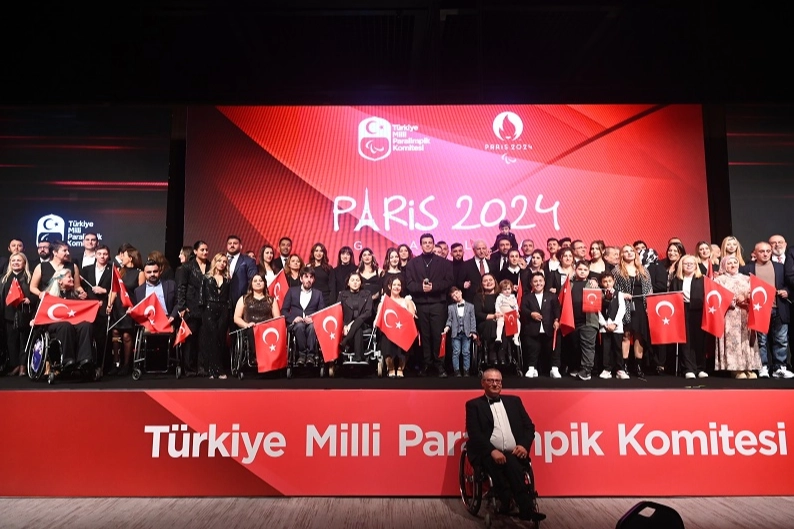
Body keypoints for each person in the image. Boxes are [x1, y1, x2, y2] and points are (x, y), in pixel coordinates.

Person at [465, 368, 542, 522]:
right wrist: (492, 450)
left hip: (513, 451)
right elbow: (475, 434)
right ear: (483, 383)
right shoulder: (474, 405)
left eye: (498, 381)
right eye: (490, 380)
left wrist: (523, 445)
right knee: (497, 463)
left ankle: (525, 507)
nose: (495, 384)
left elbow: (529, 427)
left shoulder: (515, 401)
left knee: (512, 463)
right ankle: (507, 500)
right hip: (487, 452)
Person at [740, 241, 791, 379]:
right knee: (761, 341)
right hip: (759, 310)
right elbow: (740, 286)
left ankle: (779, 367)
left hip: (778, 307)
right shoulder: (746, 269)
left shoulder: (780, 267)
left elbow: (788, 284)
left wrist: (786, 291)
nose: (765, 254)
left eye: (768, 251)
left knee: (781, 340)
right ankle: (763, 366)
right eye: (762, 251)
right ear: (755, 253)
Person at [404, 233, 453, 377]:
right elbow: (409, 284)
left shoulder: (444, 263)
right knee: (424, 336)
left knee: (438, 335)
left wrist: (433, 287)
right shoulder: (412, 263)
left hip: (438, 303)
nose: (427, 245)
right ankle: (426, 363)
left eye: (430, 242)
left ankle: (439, 364)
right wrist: (421, 287)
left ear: (433, 244)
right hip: (420, 304)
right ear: (420, 245)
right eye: (424, 242)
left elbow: (449, 281)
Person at [714, 256, 761, 379]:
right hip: (729, 315)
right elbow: (717, 297)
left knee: (746, 341)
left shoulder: (746, 278)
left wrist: (747, 297)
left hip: (746, 313)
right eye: (729, 263)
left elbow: (753, 293)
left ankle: (748, 367)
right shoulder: (719, 280)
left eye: (735, 262)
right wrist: (734, 300)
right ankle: (735, 369)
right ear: (724, 265)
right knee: (732, 340)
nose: (733, 265)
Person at [612, 244, 652, 378]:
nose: (629, 253)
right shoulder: (617, 271)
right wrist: (622, 295)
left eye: (631, 251)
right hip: (624, 305)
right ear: (621, 255)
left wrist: (649, 304)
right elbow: (613, 288)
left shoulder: (644, 270)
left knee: (639, 336)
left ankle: (638, 366)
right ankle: (624, 366)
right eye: (626, 251)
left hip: (640, 305)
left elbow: (649, 289)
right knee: (626, 335)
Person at [669, 254, 708, 379]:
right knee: (686, 341)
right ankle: (688, 369)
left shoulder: (703, 279)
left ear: (696, 265)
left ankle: (700, 368)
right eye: (686, 263)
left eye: (692, 263)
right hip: (682, 310)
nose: (689, 265)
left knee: (699, 340)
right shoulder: (676, 280)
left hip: (699, 311)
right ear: (681, 266)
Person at [108, 246, 145, 376]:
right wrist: (109, 304)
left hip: (130, 308)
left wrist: (135, 308)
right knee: (115, 332)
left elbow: (141, 294)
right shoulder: (119, 271)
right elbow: (114, 290)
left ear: (130, 258)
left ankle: (127, 364)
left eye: (123, 255)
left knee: (126, 336)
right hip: (118, 307)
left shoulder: (140, 273)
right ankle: (116, 363)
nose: (121, 257)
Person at [176, 240, 209, 376]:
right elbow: (181, 287)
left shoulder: (211, 266)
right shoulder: (187, 267)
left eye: (206, 250)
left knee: (204, 339)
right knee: (190, 339)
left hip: (206, 308)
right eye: (202, 250)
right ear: (195, 251)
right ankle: (189, 369)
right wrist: (182, 307)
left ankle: (202, 368)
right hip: (191, 307)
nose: (205, 252)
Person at [520, 271, 561, 378]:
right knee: (532, 349)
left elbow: (557, 309)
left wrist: (556, 320)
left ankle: (554, 369)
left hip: (550, 328)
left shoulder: (552, 296)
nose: (538, 283)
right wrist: (531, 314)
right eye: (535, 281)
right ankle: (531, 368)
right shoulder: (526, 297)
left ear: (544, 282)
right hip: (532, 328)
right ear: (531, 283)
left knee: (554, 349)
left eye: (540, 281)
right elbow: (523, 309)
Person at [281, 267, 325, 365]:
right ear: (301, 279)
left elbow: (322, 312)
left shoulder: (318, 294)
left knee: (312, 327)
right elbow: (283, 310)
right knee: (300, 326)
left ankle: (310, 356)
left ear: (313, 280)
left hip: (311, 323)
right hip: (296, 324)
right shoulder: (292, 291)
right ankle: (301, 355)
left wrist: (313, 319)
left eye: (311, 277)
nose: (308, 280)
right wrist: (293, 319)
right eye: (306, 277)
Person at [377, 275, 416, 377]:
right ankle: (390, 368)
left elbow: (411, 316)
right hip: (389, 331)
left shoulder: (407, 300)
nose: (396, 287)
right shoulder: (384, 301)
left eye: (399, 285)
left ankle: (400, 368)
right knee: (386, 338)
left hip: (403, 330)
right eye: (394, 285)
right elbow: (379, 317)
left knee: (404, 337)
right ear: (389, 286)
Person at [2, 252, 33, 376]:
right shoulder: (4, 279)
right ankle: (14, 365)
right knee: (11, 341)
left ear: (24, 263)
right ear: (10, 263)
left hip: (25, 314)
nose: (16, 262)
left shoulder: (30, 277)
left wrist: (30, 299)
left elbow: (36, 293)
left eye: (19, 260)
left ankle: (23, 366)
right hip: (9, 315)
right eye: (13, 260)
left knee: (24, 341)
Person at [201, 253, 230, 379]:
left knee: (220, 338)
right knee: (212, 338)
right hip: (209, 309)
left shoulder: (227, 279)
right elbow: (201, 296)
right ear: (215, 262)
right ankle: (214, 370)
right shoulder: (206, 278)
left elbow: (229, 297)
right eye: (219, 261)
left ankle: (217, 369)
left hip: (223, 309)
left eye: (224, 262)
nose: (222, 263)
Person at [597, 272, 628, 379]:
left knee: (617, 348)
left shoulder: (619, 294)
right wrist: (604, 324)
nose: (607, 284)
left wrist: (615, 323)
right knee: (606, 349)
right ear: (601, 283)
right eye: (605, 281)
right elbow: (597, 310)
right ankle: (606, 369)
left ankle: (620, 369)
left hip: (617, 327)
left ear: (614, 281)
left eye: (610, 281)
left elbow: (622, 309)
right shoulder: (599, 294)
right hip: (605, 327)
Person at [338, 271, 373, 362]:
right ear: (348, 283)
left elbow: (368, 313)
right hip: (347, 325)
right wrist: (344, 325)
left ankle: (346, 341)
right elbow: (338, 313)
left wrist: (353, 323)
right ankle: (359, 356)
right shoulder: (342, 295)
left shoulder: (367, 294)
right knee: (358, 329)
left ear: (361, 282)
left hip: (364, 323)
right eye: (352, 280)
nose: (355, 282)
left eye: (357, 280)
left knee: (358, 324)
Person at [444, 286, 476, 377]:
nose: (456, 296)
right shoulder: (451, 307)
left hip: (466, 332)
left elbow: (472, 320)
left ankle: (466, 370)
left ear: (461, 292)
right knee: (456, 352)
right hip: (456, 333)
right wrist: (447, 327)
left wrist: (473, 331)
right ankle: (456, 371)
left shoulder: (470, 306)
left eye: (457, 293)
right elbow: (450, 319)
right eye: (453, 296)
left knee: (466, 352)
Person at [226, 235, 257, 307]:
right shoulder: (219, 260)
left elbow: (252, 280)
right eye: (230, 243)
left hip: (242, 301)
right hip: (222, 302)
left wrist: (248, 298)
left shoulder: (248, 261)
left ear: (240, 246)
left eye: (235, 243)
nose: (232, 245)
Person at [307, 242, 336, 307]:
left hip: (325, 299)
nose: (318, 253)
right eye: (316, 251)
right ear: (313, 253)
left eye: (321, 251)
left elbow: (332, 287)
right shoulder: (308, 268)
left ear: (324, 253)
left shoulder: (328, 268)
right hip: (311, 299)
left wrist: (331, 302)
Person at [494, 279, 520, 348]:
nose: (507, 291)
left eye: (508, 289)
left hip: (511, 315)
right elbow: (497, 305)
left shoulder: (513, 297)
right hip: (502, 314)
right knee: (500, 323)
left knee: (518, 323)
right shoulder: (500, 297)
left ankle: (516, 337)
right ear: (501, 290)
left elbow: (516, 306)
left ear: (511, 289)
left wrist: (517, 312)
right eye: (505, 289)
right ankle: (498, 337)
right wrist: (498, 312)